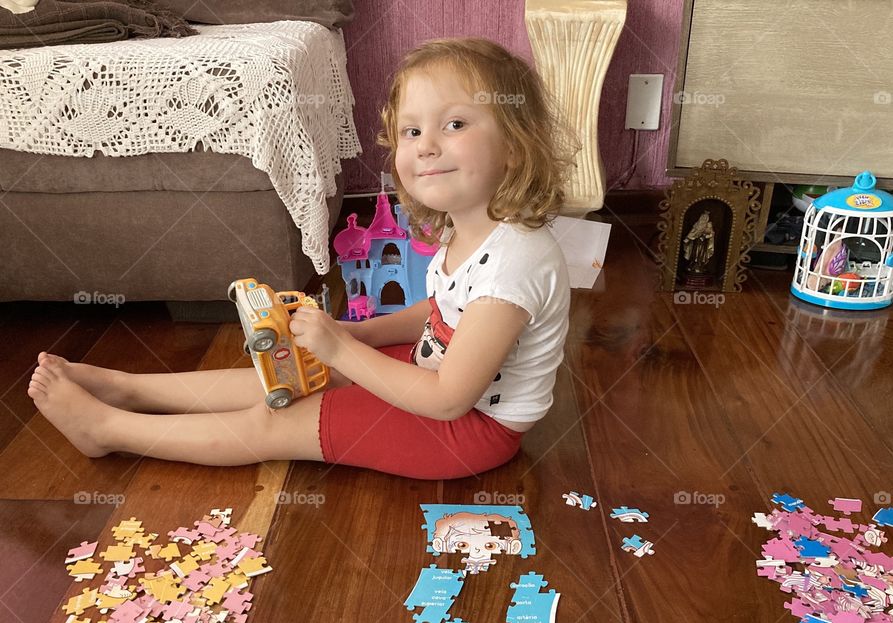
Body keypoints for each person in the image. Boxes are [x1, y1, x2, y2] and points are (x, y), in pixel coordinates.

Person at [26, 37, 578, 480]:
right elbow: (441, 312)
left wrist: (342, 346)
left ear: (514, 143)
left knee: (277, 418)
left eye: (454, 124)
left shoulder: (515, 262)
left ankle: (109, 430)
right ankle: (128, 387)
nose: (426, 144)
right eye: (412, 130)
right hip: (436, 375)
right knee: (291, 375)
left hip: (469, 431)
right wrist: (360, 337)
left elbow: (449, 400)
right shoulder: (471, 231)